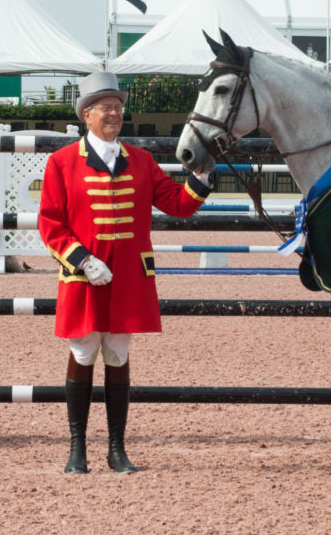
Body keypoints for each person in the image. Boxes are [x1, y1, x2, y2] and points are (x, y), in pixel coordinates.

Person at [38, 71, 211, 474]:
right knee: (83, 352)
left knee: (118, 353)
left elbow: (177, 204)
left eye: (117, 107)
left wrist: (200, 178)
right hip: (85, 276)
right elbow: (51, 224)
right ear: (87, 115)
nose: (114, 113)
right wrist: (82, 259)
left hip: (129, 278)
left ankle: (117, 449)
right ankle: (77, 448)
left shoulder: (142, 160)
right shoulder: (62, 163)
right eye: (105, 107)